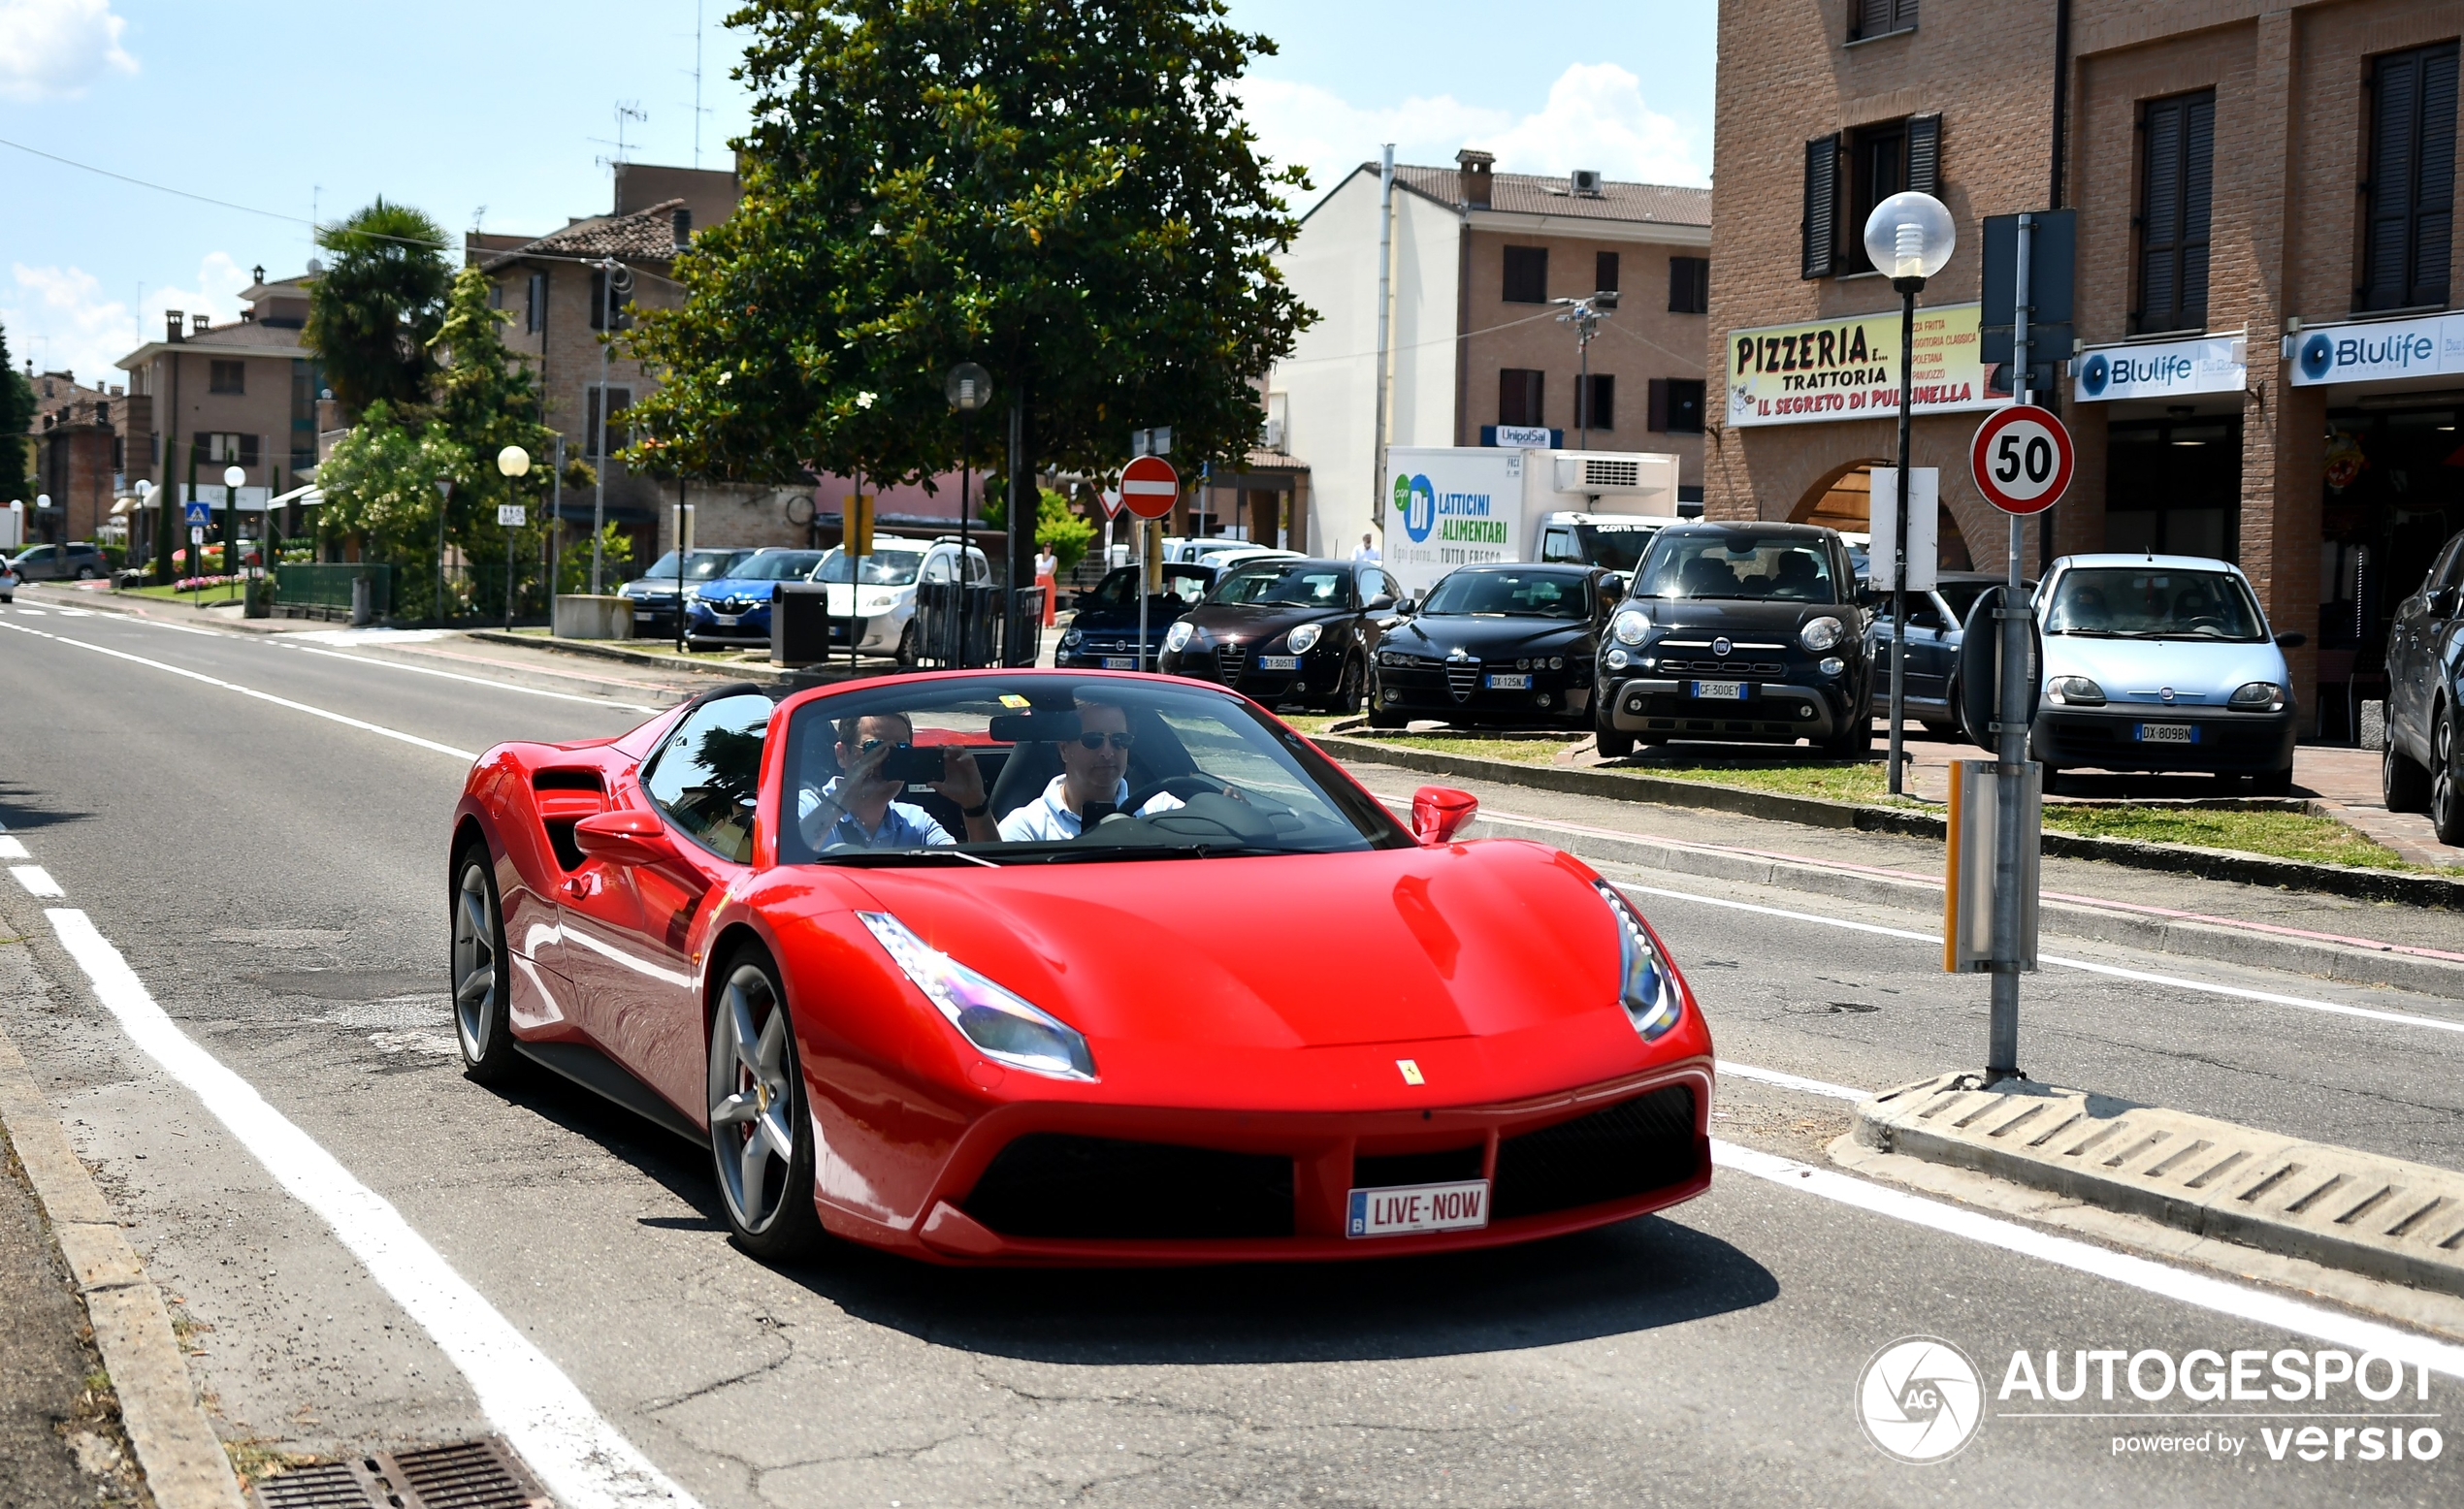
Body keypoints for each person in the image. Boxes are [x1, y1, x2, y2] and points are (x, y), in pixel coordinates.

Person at [998, 694, 1191, 842]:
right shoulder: (1028, 828)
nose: (1108, 753)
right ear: (1064, 748)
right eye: (1093, 740)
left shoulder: (1160, 810)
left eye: (1119, 740)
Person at [799, 711, 997, 851]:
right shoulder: (806, 808)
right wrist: (841, 799)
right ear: (842, 755)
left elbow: (986, 874)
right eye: (874, 748)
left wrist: (975, 806)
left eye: (900, 751)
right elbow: (782, 855)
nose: (886, 760)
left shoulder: (915, 823)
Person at [1034, 545, 1059, 626]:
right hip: (1038, 578)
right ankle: (1037, 620)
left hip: (1048, 578)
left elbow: (1053, 569)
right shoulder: (1037, 556)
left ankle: (1049, 622)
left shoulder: (1054, 558)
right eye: (1046, 546)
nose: (1047, 548)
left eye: (1049, 546)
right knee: (1037, 600)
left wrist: (1046, 575)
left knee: (1049, 601)